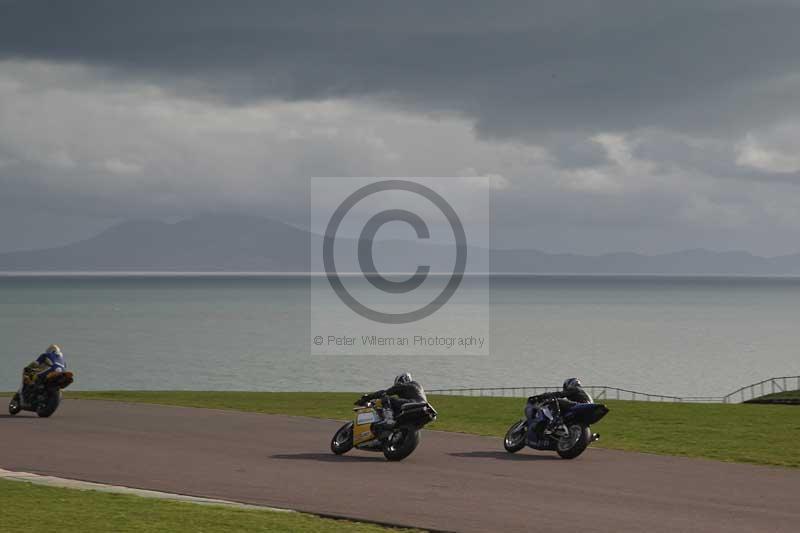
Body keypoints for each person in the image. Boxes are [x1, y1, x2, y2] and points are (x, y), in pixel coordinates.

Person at [357, 372, 427, 429]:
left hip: (414, 403)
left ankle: (388, 419)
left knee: (387, 399)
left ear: (402, 380)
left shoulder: (405, 385)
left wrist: (367, 398)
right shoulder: (417, 387)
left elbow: (384, 393)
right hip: (424, 408)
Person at [528, 378, 592, 437]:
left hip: (579, 406)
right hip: (584, 410)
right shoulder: (584, 393)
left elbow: (560, 394)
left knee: (556, 400)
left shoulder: (575, 389)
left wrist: (544, 396)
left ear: (570, 384)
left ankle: (553, 422)